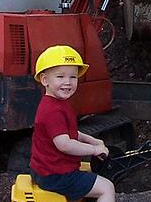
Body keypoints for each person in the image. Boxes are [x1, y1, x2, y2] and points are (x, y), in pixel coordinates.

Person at [30, 45, 116, 202]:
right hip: (55, 175)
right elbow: (65, 144)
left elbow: (68, 132)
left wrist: (91, 139)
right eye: (60, 77)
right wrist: (94, 149)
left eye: (73, 77)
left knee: (89, 176)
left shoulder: (56, 102)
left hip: (46, 170)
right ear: (44, 80)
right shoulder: (53, 111)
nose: (67, 82)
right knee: (106, 188)